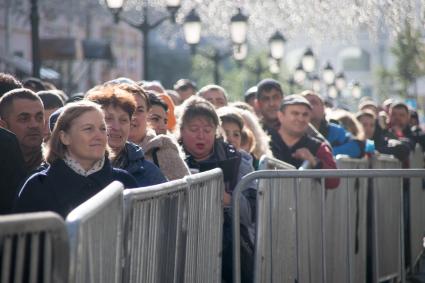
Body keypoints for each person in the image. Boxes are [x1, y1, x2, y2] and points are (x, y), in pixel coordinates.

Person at [14, 101, 137, 218]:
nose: (99, 136)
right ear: (65, 137)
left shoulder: (124, 182)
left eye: (103, 129)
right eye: (88, 129)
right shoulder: (37, 186)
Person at [177, 96, 255, 283]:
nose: (201, 135)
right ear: (181, 130)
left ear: (216, 131)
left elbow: (253, 211)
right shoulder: (169, 157)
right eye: (194, 129)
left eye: (207, 129)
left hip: (228, 250)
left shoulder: (238, 161)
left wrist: (229, 200)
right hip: (182, 247)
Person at [86, 84, 167, 187]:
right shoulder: (76, 166)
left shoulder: (149, 174)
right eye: (108, 119)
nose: (116, 127)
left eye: (123, 120)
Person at [116, 82, 190, 181]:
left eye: (140, 110)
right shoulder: (101, 148)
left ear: (147, 114)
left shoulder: (162, 147)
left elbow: (186, 192)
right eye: (126, 109)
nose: (132, 116)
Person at [270, 94, 339, 189]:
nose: (301, 119)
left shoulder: (318, 146)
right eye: (295, 113)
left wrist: (313, 161)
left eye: (305, 114)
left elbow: (334, 181)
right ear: (281, 116)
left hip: (303, 203)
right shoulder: (265, 140)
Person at [302, 90, 363, 158]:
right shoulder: (292, 132)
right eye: (305, 104)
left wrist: (323, 153)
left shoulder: (336, 131)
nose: (310, 106)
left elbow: (356, 147)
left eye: (314, 102)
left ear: (323, 108)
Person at [0, 88, 45, 172]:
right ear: (3, 126)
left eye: (39, 118)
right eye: (24, 119)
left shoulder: (56, 167)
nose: (34, 125)